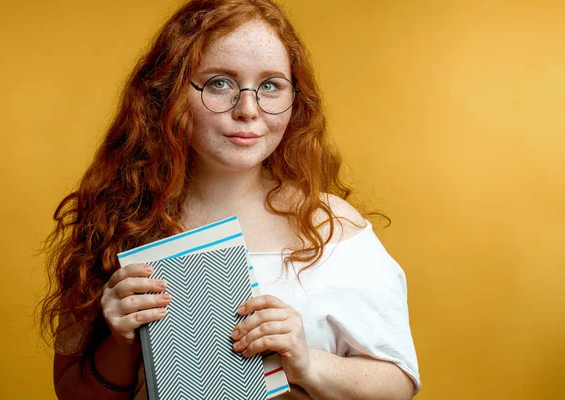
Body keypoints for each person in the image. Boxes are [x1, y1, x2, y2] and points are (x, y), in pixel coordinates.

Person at [38, 0, 421, 399]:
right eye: (220, 82)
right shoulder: (117, 220)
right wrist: (121, 342)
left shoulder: (333, 227)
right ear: (167, 91)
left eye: (270, 85)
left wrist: (307, 362)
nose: (249, 110)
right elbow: (71, 394)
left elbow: (399, 386)